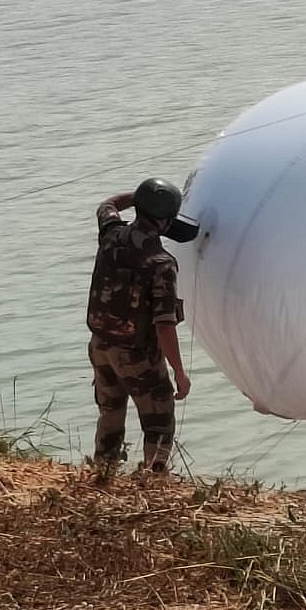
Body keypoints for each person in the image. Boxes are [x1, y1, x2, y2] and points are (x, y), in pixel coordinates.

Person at [86, 178, 192, 476]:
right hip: (137, 356)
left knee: (110, 412)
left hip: (100, 346)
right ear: (166, 220)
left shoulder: (111, 235)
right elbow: (164, 324)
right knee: (159, 422)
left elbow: (107, 206)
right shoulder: (161, 263)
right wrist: (179, 373)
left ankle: (102, 474)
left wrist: (139, 197)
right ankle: (153, 481)